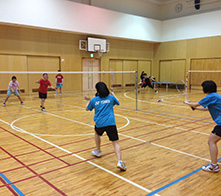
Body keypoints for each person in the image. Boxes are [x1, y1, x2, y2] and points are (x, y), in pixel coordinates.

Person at [86, 82, 127, 171]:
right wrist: (113, 94)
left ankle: (98, 151)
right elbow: (118, 102)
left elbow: (87, 108)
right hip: (111, 123)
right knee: (115, 142)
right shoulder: (111, 98)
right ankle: (119, 161)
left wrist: (88, 101)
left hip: (100, 123)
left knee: (97, 133)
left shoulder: (94, 100)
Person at [184, 80, 221, 173]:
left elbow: (196, 103)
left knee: (211, 141)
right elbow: (208, 108)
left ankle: (214, 166)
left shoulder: (211, 96)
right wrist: (196, 109)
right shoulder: (216, 96)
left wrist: (187, 102)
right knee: (212, 141)